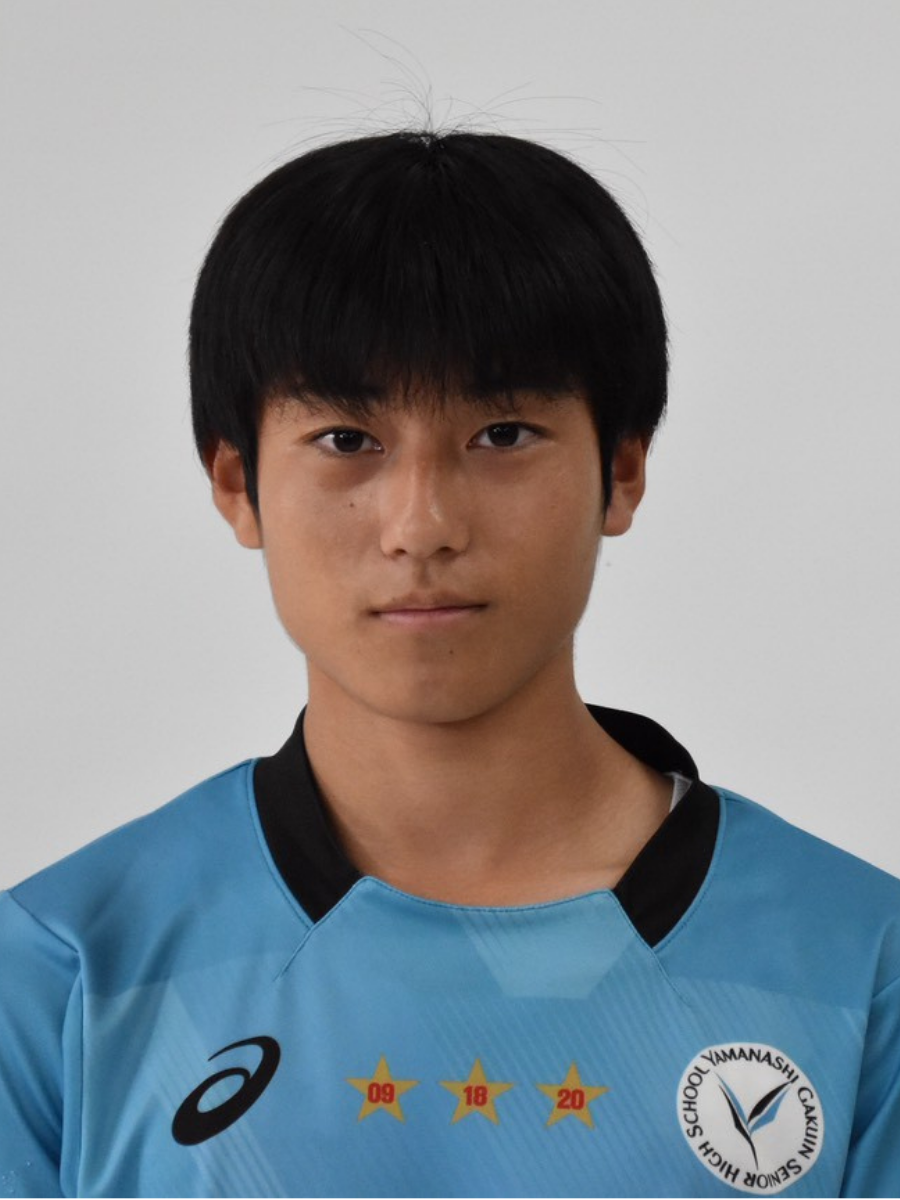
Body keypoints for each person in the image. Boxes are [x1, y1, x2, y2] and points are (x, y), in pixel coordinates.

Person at [0, 128, 897, 1200]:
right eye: (347, 441)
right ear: (237, 483)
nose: (421, 526)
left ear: (621, 471)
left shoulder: (863, 967)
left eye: (503, 434)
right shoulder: (59, 972)